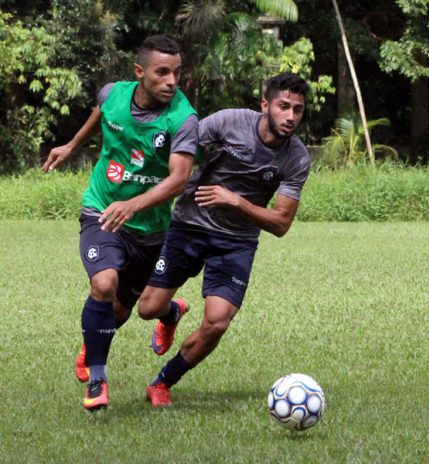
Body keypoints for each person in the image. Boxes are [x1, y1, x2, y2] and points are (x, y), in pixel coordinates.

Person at [42, 35, 198, 410]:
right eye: (162, 72)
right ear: (139, 72)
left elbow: (178, 179)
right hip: (102, 208)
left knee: (125, 310)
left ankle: (170, 311)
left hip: (151, 228)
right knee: (104, 283)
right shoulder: (114, 93)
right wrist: (72, 145)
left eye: (176, 73)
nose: (171, 81)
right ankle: (98, 379)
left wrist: (134, 204)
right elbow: (102, 114)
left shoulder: (184, 118)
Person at [137, 72, 311, 407]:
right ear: (265, 105)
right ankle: (171, 313)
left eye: (298, 110)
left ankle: (162, 382)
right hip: (189, 224)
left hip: (236, 241)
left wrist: (237, 201)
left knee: (217, 323)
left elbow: (280, 223)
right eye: (283, 106)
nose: (290, 117)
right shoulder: (228, 122)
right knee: (148, 309)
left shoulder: (297, 157)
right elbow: (181, 152)